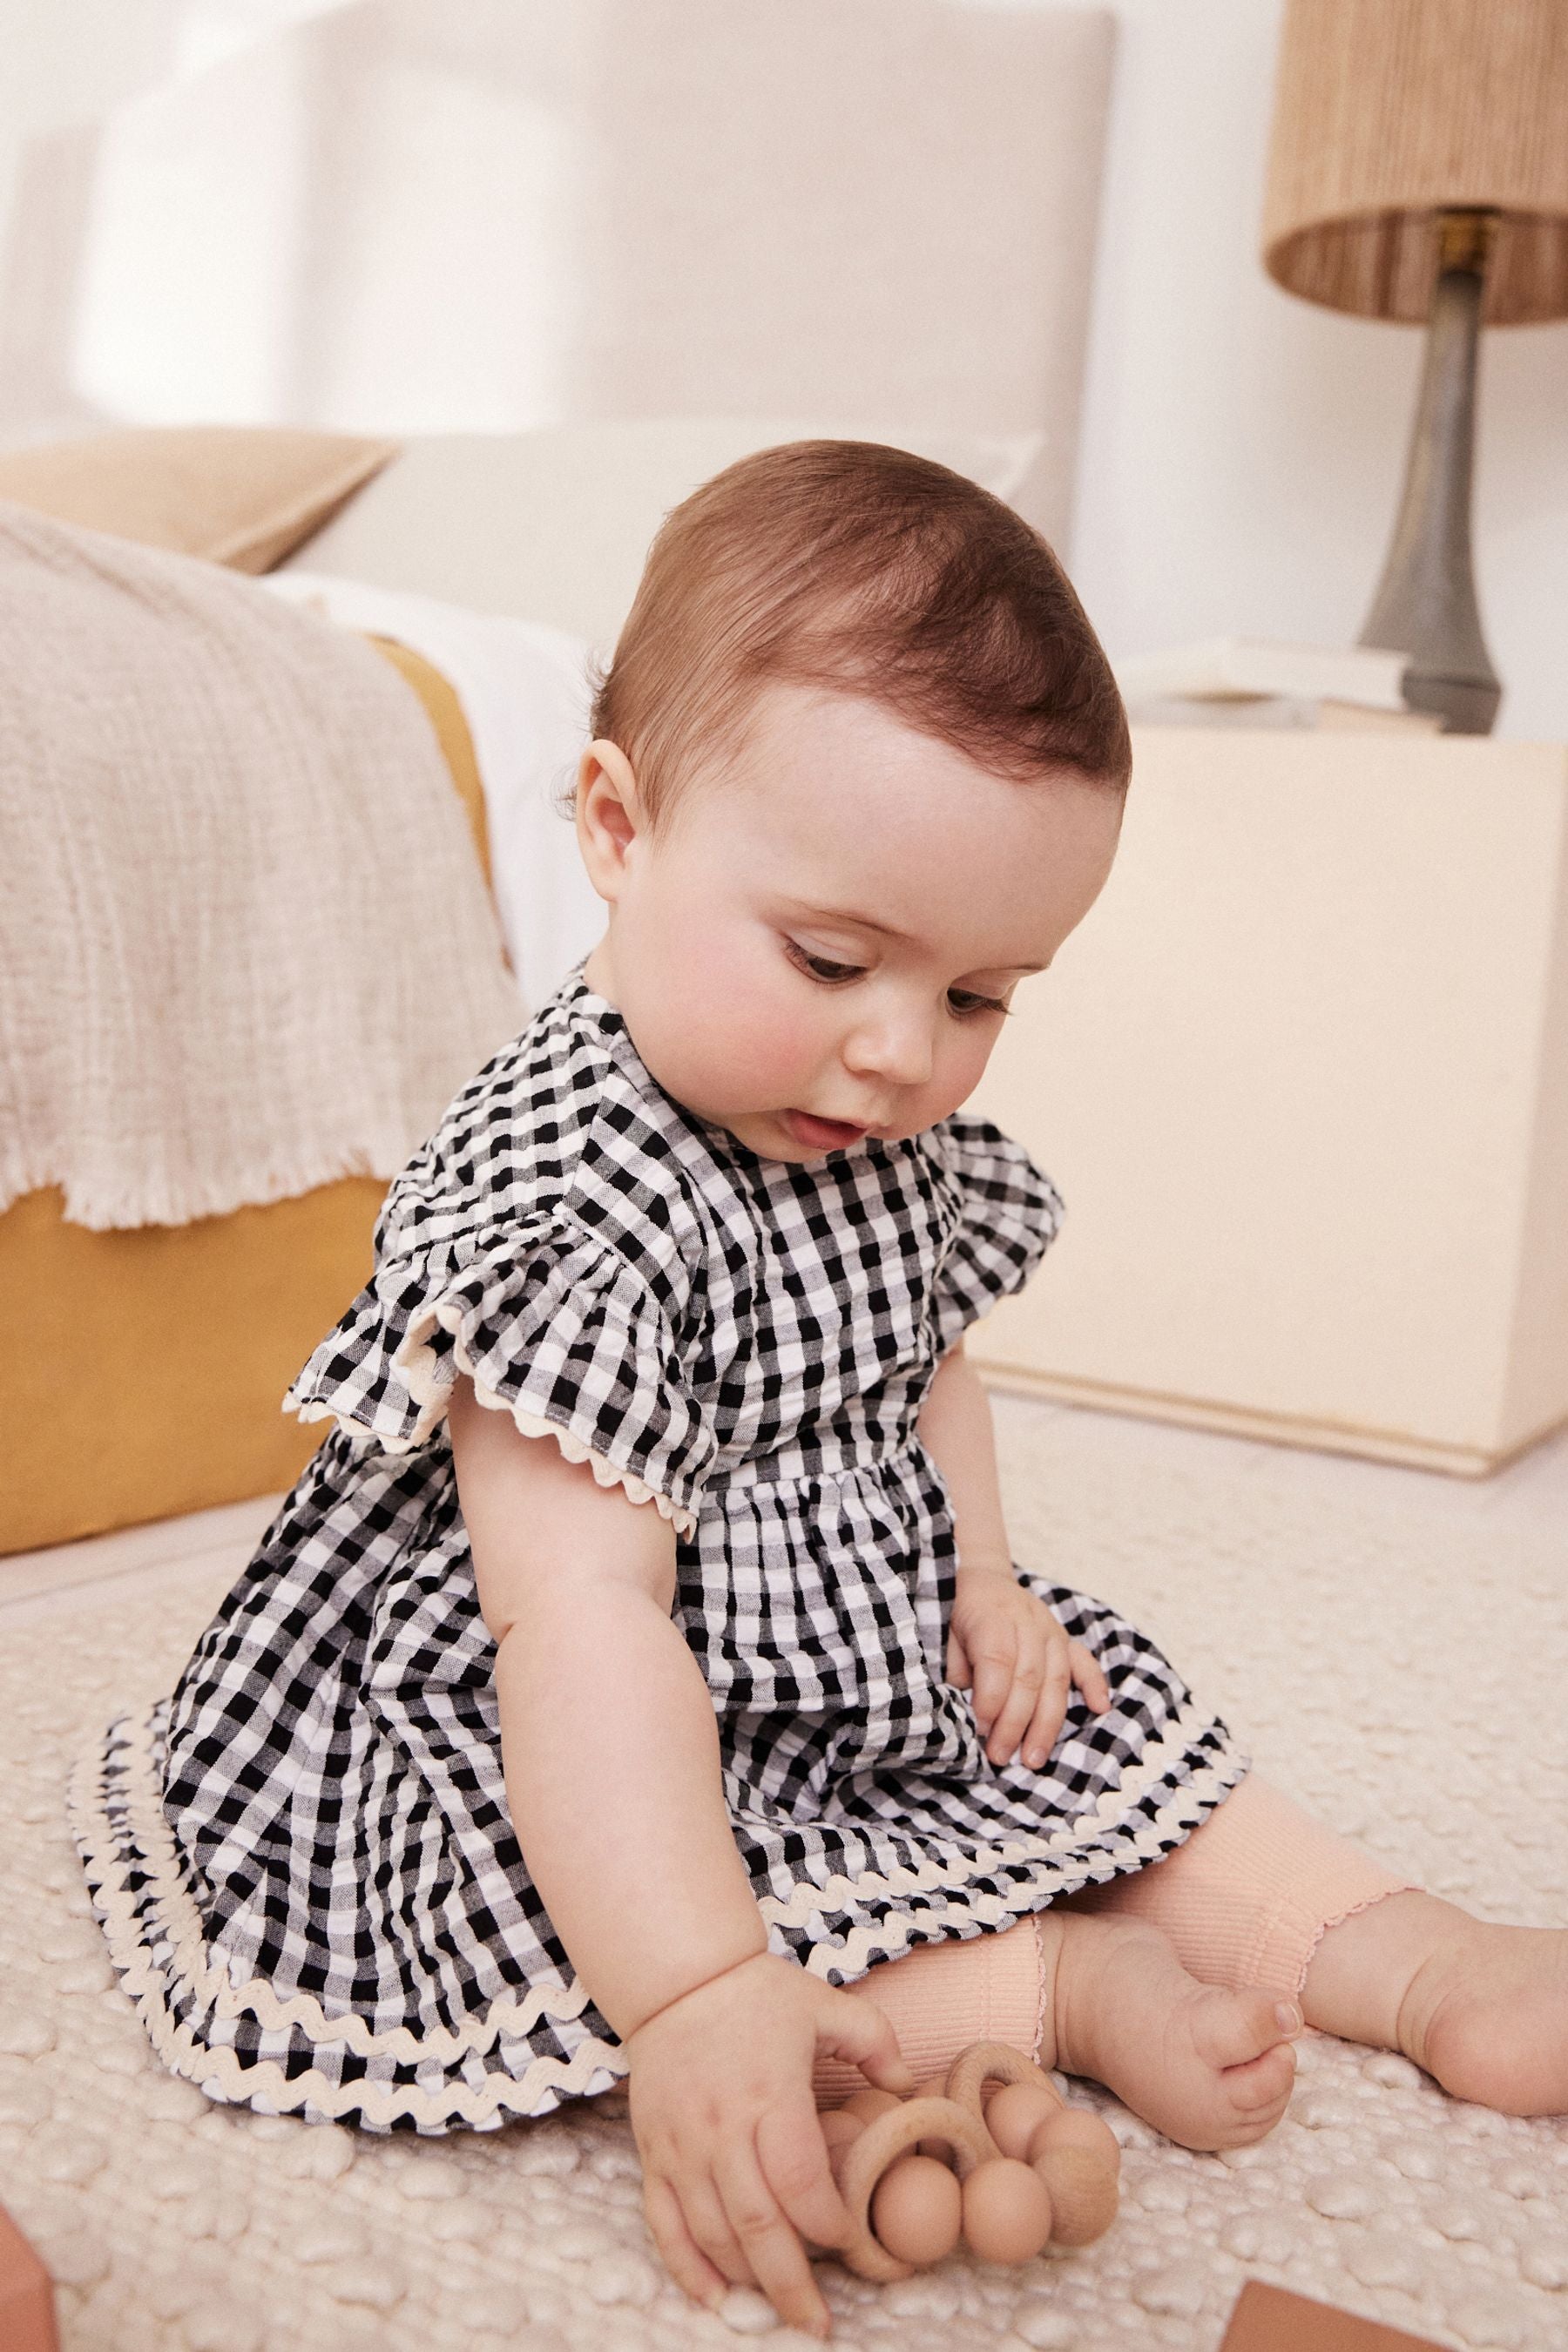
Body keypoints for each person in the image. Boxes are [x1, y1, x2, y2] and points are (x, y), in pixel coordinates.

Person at [75, 443, 1568, 2342]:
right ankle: (1038, 1991)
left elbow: (925, 1367)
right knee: (580, 1930)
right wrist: (693, 1993)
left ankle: (1413, 1959)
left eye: (979, 997)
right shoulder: (564, 1206)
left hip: (837, 1620)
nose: (897, 1054)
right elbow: (582, 1620)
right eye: (838, 959)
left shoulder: (858, 1116)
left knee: (1107, 1721)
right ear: (618, 827)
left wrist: (987, 1582)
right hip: (559, 1683)